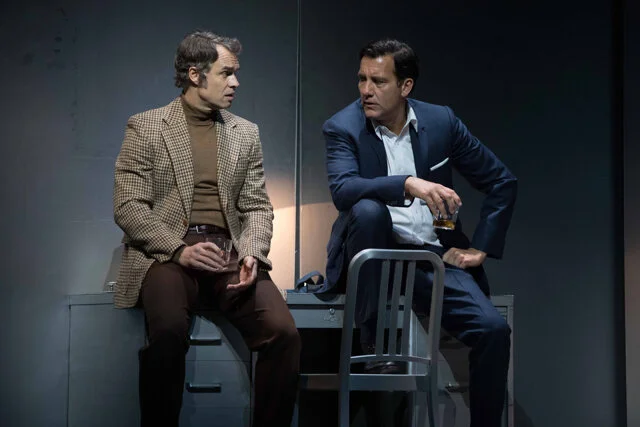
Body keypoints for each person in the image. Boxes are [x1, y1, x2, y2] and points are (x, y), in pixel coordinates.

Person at [323, 38, 517, 427]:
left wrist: (480, 247)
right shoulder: (343, 126)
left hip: (431, 258)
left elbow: (502, 181)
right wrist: (408, 183)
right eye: (361, 79)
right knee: (367, 210)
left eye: (378, 81)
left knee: (494, 331)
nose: (365, 90)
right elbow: (343, 189)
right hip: (375, 259)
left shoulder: (441, 122)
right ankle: (371, 339)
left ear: (406, 86)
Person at [113, 30, 300, 427]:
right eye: (226, 73)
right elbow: (128, 206)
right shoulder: (146, 126)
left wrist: (252, 251)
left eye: (235, 73)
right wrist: (179, 250)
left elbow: (256, 206)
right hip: (167, 253)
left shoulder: (244, 132)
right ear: (195, 75)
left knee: (283, 333)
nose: (236, 82)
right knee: (167, 332)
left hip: (227, 251)